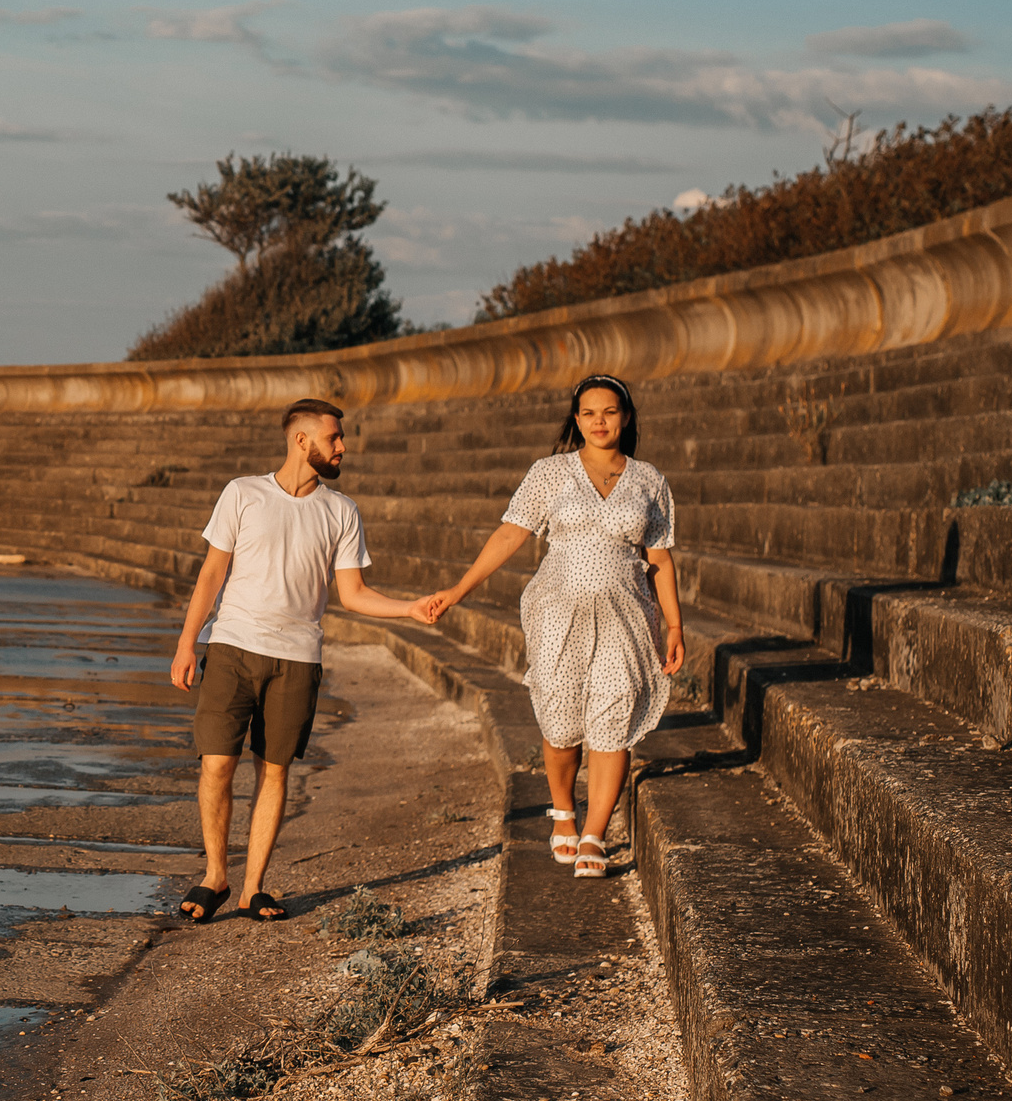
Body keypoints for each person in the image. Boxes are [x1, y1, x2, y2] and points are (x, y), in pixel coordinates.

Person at [169, 398, 424, 923]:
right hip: (232, 645)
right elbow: (212, 573)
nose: (343, 447)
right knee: (217, 763)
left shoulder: (342, 511)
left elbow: (353, 593)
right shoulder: (243, 492)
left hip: (297, 657)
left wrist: (410, 608)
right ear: (301, 440)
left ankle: (252, 889)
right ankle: (215, 875)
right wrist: (186, 642)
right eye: (334, 438)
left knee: (274, 770)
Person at [417, 375, 683, 879]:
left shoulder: (649, 480)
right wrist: (458, 591)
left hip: (626, 616)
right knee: (560, 724)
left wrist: (674, 625)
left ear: (626, 417)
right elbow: (509, 534)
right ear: (576, 419)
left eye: (610, 412)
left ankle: (594, 835)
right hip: (557, 615)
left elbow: (661, 559)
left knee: (613, 720)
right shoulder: (550, 472)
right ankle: (563, 811)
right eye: (589, 413)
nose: (600, 422)